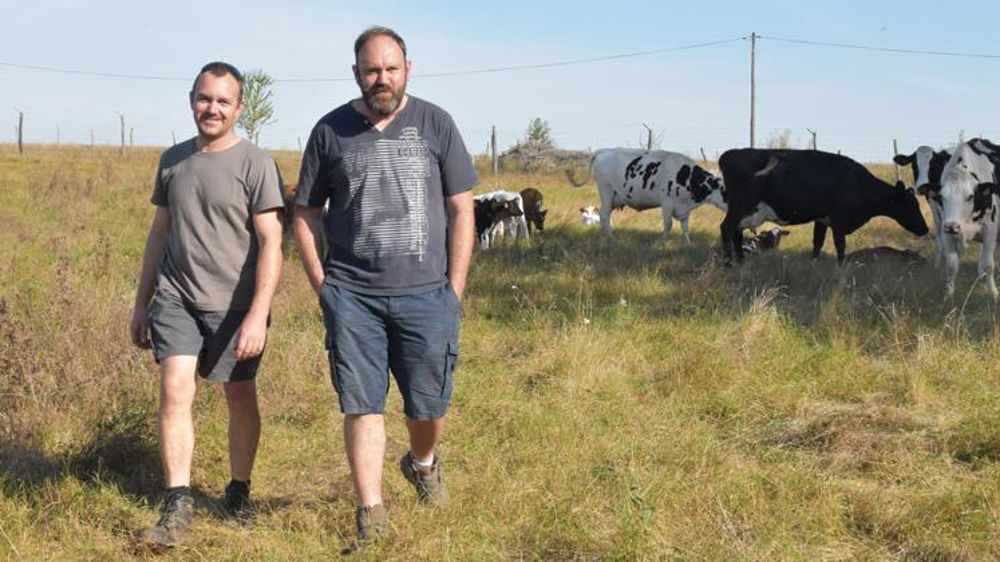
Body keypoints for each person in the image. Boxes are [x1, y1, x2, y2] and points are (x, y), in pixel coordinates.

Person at [292, 26, 478, 542]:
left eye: (391, 68)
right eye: (372, 70)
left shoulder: (436, 124)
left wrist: (453, 289)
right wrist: (322, 284)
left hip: (427, 294)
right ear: (356, 74)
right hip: (353, 297)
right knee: (362, 404)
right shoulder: (330, 131)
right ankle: (370, 514)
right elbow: (305, 213)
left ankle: (421, 462)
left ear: (408, 70)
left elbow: (461, 209)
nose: (382, 78)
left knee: (428, 406)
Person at [129, 61, 284, 549]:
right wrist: (142, 304)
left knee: (239, 397)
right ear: (191, 99)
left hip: (235, 306)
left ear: (239, 107)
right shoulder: (172, 160)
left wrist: (258, 314)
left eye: (222, 101)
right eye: (204, 98)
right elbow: (160, 234)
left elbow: (272, 243)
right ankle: (177, 501)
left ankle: (239, 492)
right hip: (176, 298)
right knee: (175, 391)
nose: (211, 109)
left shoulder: (256, 163)